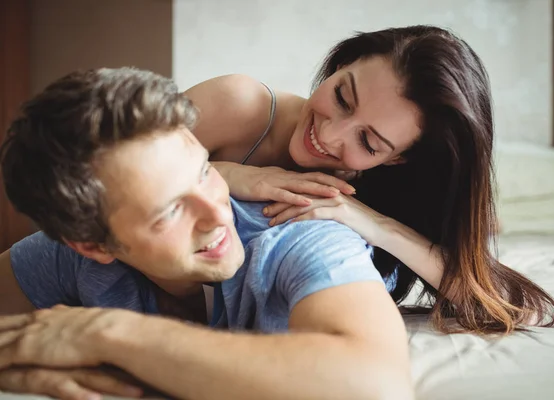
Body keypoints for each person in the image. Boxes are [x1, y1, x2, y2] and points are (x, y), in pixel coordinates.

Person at [0, 67, 413, 400]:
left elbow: (378, 383)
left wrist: (106, 334)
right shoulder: (69, 257)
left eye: (204, 172)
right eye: (171, 210)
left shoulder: (298, 233)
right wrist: (17, 366)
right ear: (94, 245)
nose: (217, 213)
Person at [183, 25, 554, 333]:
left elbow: (515, 308)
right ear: (339, 67)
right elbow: (123, 171)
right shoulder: (239, 104)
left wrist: (373, 222)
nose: (330, 136)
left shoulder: (383, 192)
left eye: (368, 141)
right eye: (342, 98)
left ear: (399, 158)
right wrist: (226, 175)